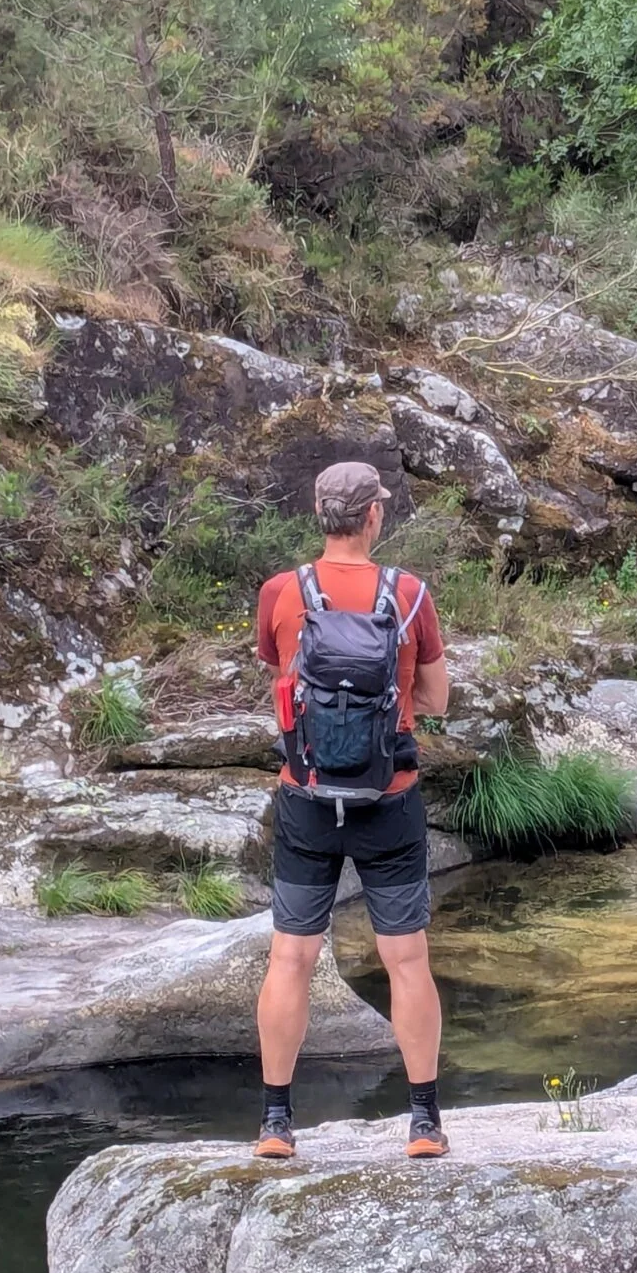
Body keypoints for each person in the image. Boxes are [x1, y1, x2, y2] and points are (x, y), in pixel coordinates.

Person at [253, 461, 451, 1160]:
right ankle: (424, 1122)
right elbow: (436, 699)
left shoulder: (281, 592)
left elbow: (281, 675)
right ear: (373, 517)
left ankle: (277, 1123)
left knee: (292, 956)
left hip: (306, 796)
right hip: (388, 797)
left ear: (318, 512)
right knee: (406, 958)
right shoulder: (410, 592)